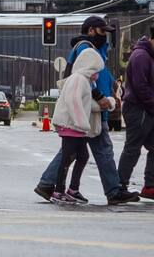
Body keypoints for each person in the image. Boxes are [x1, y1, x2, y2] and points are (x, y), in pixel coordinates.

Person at [34, 16, 139, 205]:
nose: (104, 36)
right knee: (100, 150)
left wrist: (113, 85)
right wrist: (100, 97)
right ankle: (113, 191)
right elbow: (83, 77)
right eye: (102, 31)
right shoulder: (86, 49)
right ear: (91, 30)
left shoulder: (93, 49)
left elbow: (97, 75)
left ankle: (48, 184)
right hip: (90, 110)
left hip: (91, 109)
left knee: (73, 152)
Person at [50, 41, 105, 204]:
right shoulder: (79, 80)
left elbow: (86, 104)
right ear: (89, 67)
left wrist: (107, 103)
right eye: (96, 70)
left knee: (82, 156)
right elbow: (73, 101)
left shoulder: (84, 81)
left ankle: (73, 189)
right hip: (71, 126)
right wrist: (82, 122)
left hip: (75, 127)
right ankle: (59, 190)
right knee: (68, 158)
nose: (97, 75)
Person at [117, 32, 154, 200]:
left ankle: (150, 186)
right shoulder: (141, 56)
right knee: (133, 147)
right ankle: (119, 186)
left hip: (147, 108)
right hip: (138, 108)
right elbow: (141, 86)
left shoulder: (148, 55)